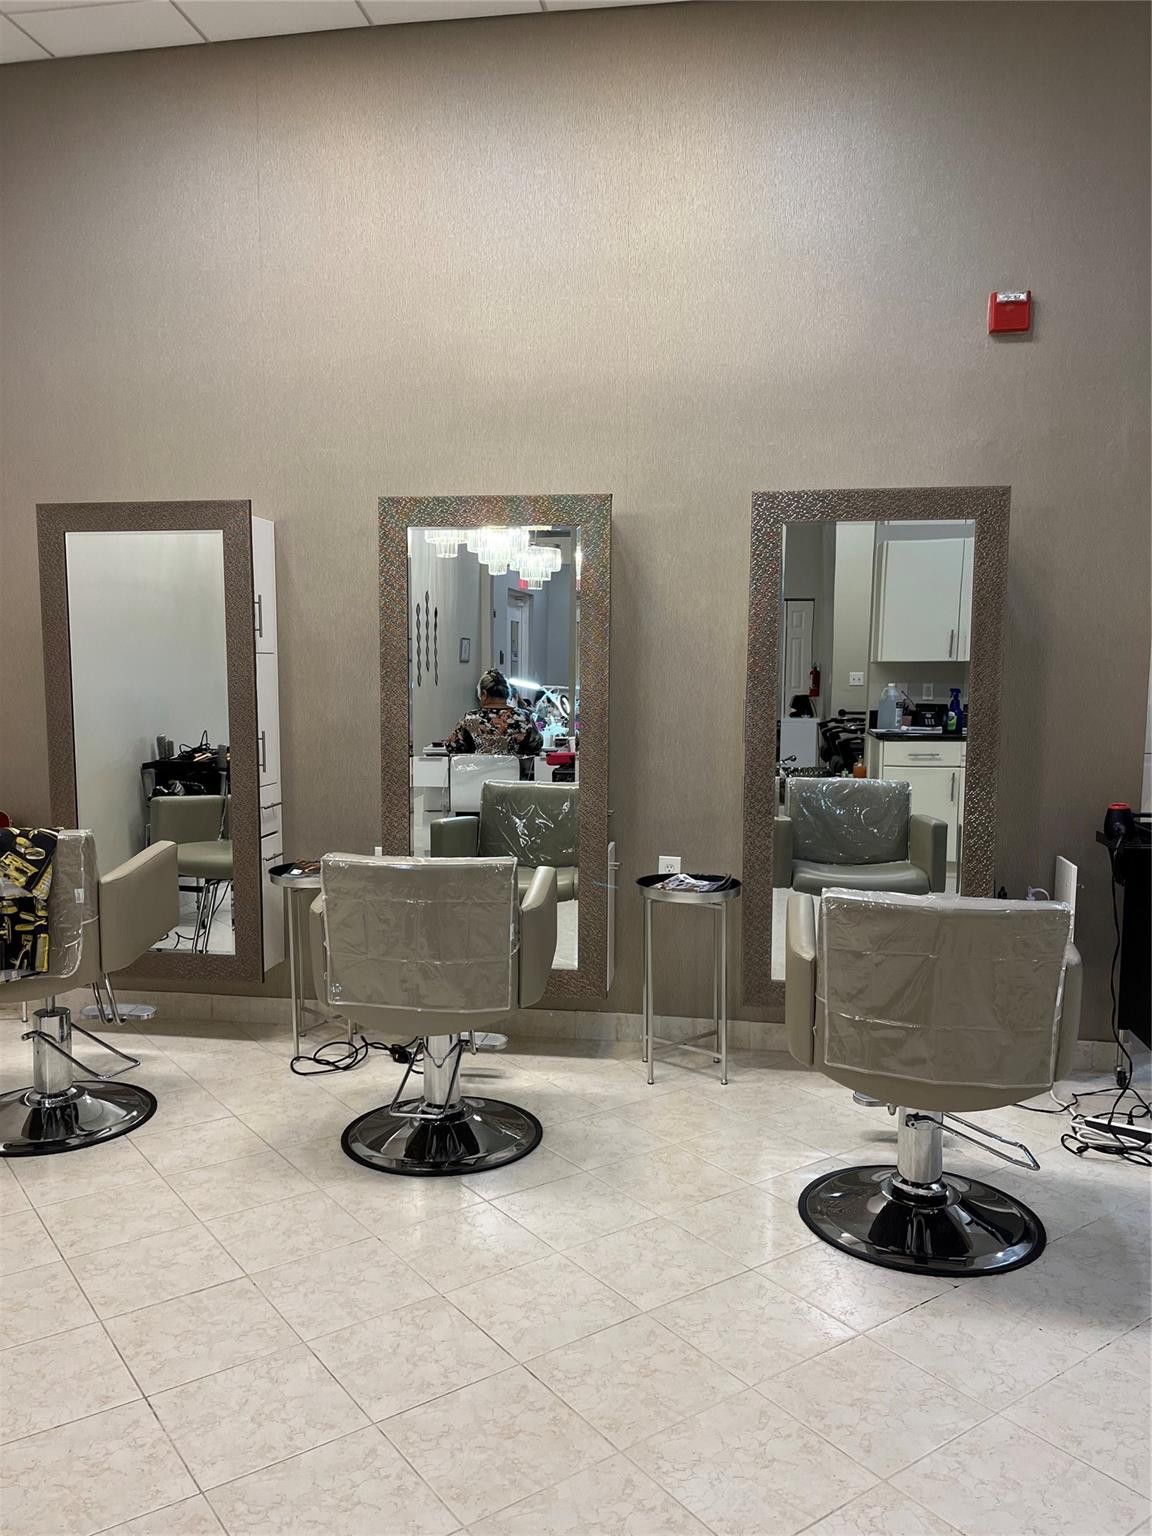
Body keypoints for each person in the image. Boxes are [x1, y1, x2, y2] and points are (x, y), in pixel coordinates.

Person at [446, 669, 543, 756]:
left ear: (484, 694)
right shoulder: (524, 717)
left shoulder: (470, 718)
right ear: (507, 693)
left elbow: (452, 746)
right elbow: (536, 744)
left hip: (478, 770)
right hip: (514, 770)